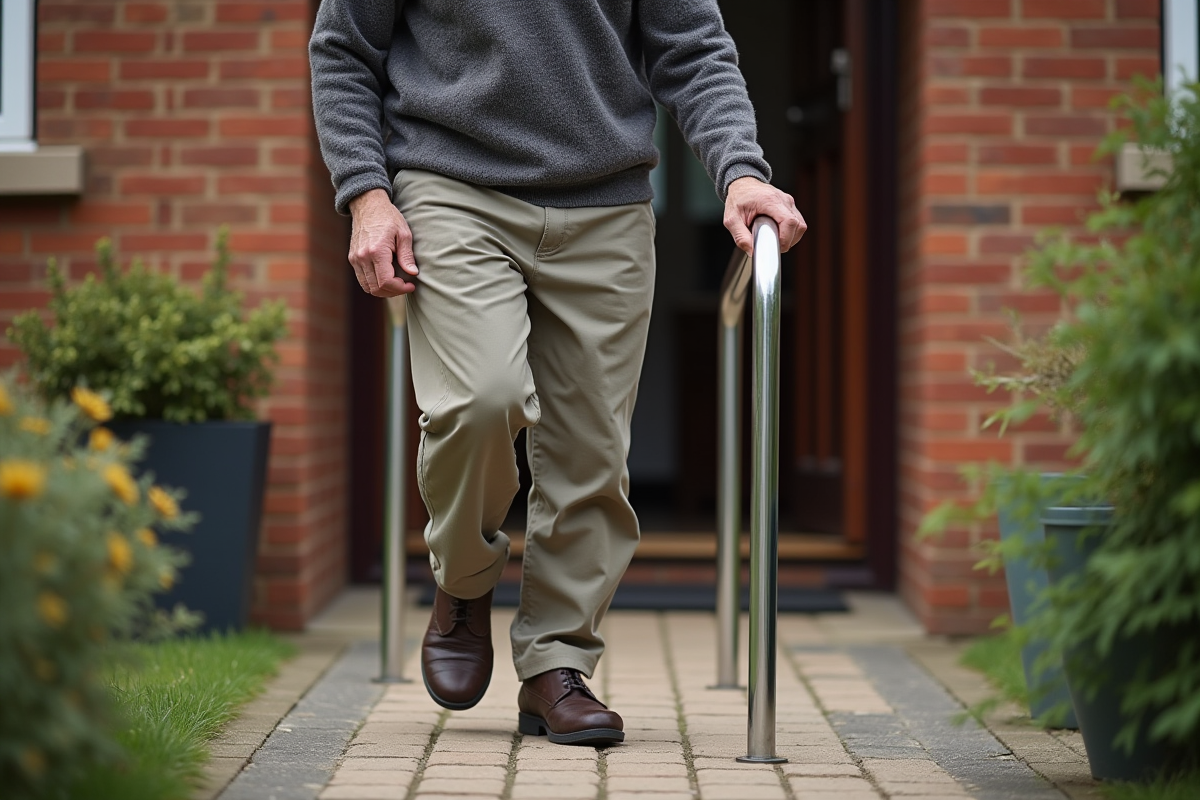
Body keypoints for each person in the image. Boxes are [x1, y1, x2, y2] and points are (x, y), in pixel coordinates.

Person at [309, 0, 806, 747]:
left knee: (591, 454)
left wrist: (738, 170)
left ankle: (555, 665)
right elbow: (344, 50)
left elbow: (694, 49)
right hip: (452, 184)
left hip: (606, 204)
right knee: (481, 400)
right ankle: (464, 582)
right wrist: (366, 193)